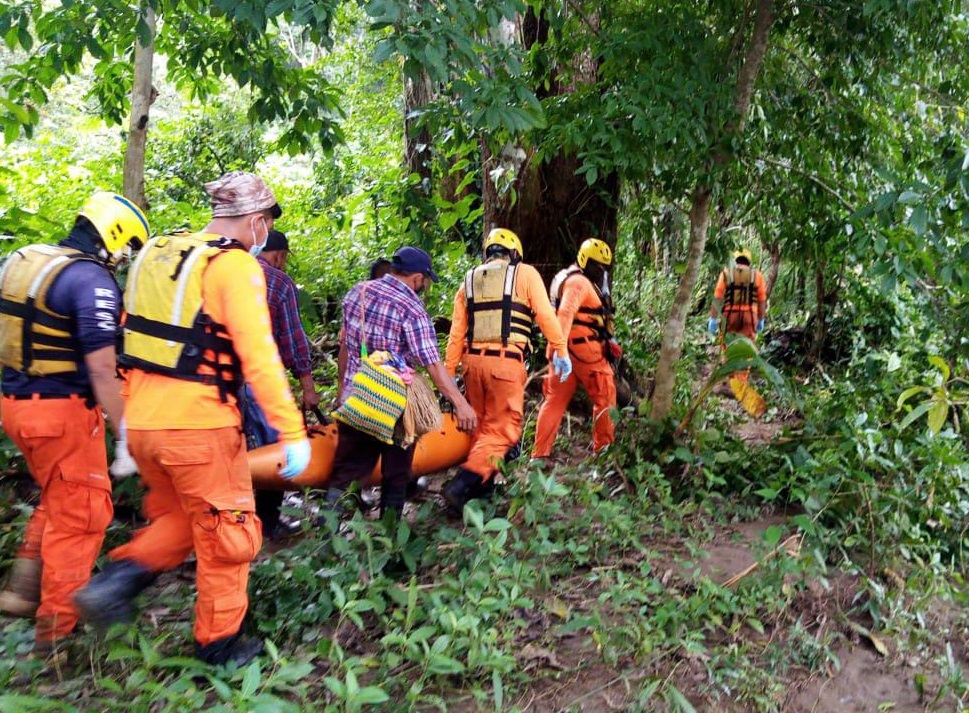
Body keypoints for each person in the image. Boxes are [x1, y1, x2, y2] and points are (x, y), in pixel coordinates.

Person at [73, 171, 311, 667]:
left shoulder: (154, 254)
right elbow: (259, 356)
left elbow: (127, 338)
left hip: (142, 425)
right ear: (257, 221)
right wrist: (292, 431)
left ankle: (117, 583)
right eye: (264, 225)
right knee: (230, 532)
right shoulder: (234, 267)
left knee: (182, 519)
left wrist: (122, 428)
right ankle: (218, 646)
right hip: (199, 428)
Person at [0, 191, 149, 660]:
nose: (123, 259)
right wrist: (125, 434)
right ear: (115, 235)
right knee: (84, 513)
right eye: (127, 248)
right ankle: (55, 635)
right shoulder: (91, 281)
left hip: (14, 405)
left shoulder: (26, 261)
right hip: (60, 412)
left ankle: (23, 587)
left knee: (59, 492)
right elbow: (103, 372)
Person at [326, 246, 477, 520]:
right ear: (417, 277)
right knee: (396, 475)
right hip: (393, 407)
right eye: (426, 281)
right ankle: (391, 544)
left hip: (356, 398)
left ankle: (325, 540)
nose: (425, 286)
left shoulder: (357, 292)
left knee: (346, 472)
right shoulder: (412, 307)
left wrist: (341, 391)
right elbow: (432, 364)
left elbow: (346, 347)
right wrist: (461, 404)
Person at [442, 228, 572, 512]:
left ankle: (479, 495)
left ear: (488, 253)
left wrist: (450, 371)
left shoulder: (468, 282)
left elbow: (456, 334)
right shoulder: (524, 274)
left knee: (481, 428)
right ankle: (462, 485)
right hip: (505, 362)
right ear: (514, 254)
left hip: (471, 364)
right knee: (503, 430)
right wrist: (560, 349)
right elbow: (545, 315)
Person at [243, 229, 319, 539]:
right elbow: (293, 341)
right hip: (259, 380)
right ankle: (268, 522)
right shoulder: (279, 283)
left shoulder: (227, 271)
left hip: (218, 378)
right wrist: (308, 386)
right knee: (274, 447)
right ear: (279, 255)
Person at [532, 238, 619, 460]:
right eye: (596, 265)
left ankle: (540, 455)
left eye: (603, 267)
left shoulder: (569, 278)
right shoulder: (578, 283)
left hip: (567, 352)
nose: (600, 271)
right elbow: (566, 313)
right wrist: (558, 350)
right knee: (605, 398)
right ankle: (604, 450)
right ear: (584, 259)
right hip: (583, 353)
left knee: (554, 401)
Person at [708, 249, 768, 381]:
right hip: (749, 318)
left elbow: (718, 297)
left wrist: (712, 318)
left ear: (735, 260)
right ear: (748, 261)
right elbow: (762, 301)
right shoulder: (757, 275)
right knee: (745, 348)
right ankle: (740, 382)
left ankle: (730, 379)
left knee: (728, 347)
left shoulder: (726, 273)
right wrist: (761, 319)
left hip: (730, 316)